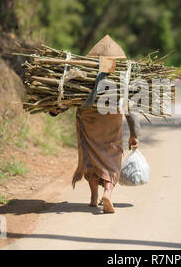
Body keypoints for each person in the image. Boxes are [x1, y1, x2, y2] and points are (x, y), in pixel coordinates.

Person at [49, 35, 141, 213]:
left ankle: (93, 197)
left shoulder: (86, 74)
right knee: (112, 158)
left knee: (91, 156)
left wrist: (56, 109)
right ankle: (107, 192)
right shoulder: (122, 78)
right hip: (111, 121)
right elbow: (131, 107)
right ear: (117, 61)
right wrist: (134, 133)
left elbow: (71, 95)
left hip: (88, 119)